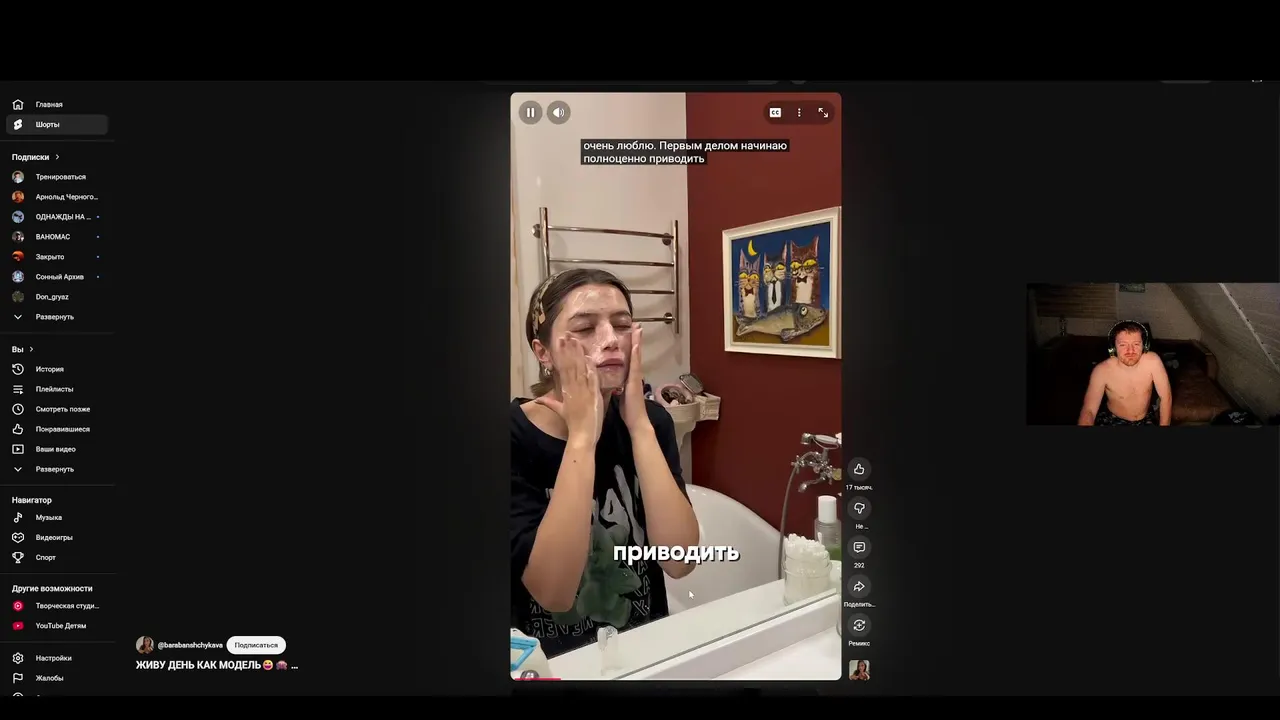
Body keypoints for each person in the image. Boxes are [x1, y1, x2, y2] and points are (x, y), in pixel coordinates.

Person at [511, 268, 700, 658]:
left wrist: (640, 427)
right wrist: (582, 437)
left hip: (642, 654)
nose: (611, 339)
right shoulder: (510, 435)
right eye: (585, 327)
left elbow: (680, 562)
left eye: (622, 325)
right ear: (543, 352)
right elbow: (553, 593)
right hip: (552, 664)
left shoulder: (650, 422)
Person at [1078, 321, 1172, 426]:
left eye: (1136, 344)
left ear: (1145, 346)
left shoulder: (1153, 361)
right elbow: (1089, 410)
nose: (1130, 350)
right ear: (1113, 348)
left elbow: (1166, 397)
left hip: (1146, 419)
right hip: (1113, 421)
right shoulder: (1101, 371)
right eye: (1123, 345)